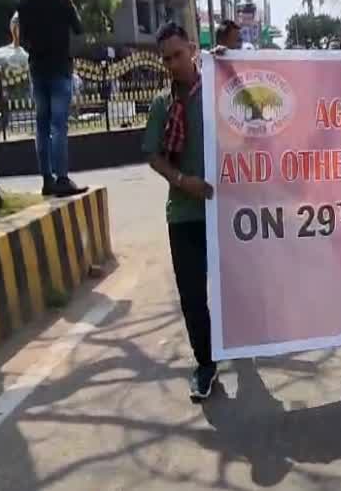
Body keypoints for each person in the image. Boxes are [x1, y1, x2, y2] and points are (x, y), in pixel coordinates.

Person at [143, 22, 219, 399]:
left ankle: (236, 348)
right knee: (192, 295)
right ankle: (205, 365)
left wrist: (232, 66)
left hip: (225, 216)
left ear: (192, 48)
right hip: (184, 215)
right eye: (166, 58)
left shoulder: (220, 91)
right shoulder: (163, 104)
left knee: (233, 291)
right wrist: (180, 179)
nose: (173, 63)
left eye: (177, 54)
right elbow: (153, 155)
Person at [15, 0, 88, 197]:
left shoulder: (24, 2)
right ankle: (62, 178)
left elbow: (22, 38)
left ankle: (46, 179)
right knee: (59, 126)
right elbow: (78, 28)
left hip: (37, 69)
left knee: (41, 126)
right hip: (60, 69)